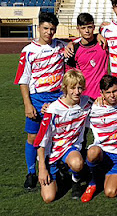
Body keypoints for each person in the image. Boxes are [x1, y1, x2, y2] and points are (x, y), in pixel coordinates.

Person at [14, 12, 66, 191]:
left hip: (58, 98)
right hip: (37, 98)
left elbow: (80, 42)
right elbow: (23, 80)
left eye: (52, 29)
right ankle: (31, 172)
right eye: (46, 28)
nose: (49, 33)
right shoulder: (28, 51)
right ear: (39, 27)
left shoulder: (61, 46)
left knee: (57, 136)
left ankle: (57, 167)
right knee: (33, 137)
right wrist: (28, 104)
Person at [34, 70, 92, 203]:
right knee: (49, 198)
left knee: (77, 163)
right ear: (65, 88)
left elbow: (103, 104)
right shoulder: (53, 109)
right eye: (73, 88)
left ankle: (75, 181)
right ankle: (59, 171)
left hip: (71, 149)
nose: (77, 92)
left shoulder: (86, 103)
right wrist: (42, 169)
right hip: (52, 153)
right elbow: (40, 142)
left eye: (80, 88)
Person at [81, 75, 117, 202]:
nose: (112, 95)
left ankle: (103, 175)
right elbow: (71, 103)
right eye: (108, 93)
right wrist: (47, 107)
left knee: (111, 192)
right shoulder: (93, 108)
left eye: (115, 91)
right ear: (101, 93)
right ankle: (93, 182)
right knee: (92, 152)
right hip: (101, 152)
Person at [65, 13, 109, 100]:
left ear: (94, 27)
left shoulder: (103, 43)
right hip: (83, 96)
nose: (87, 31)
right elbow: (70, 78)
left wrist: (98, 35)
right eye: (83, 28)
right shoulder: (73, 50)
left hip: (103, 95)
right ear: (78, 28)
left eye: (89, 27)